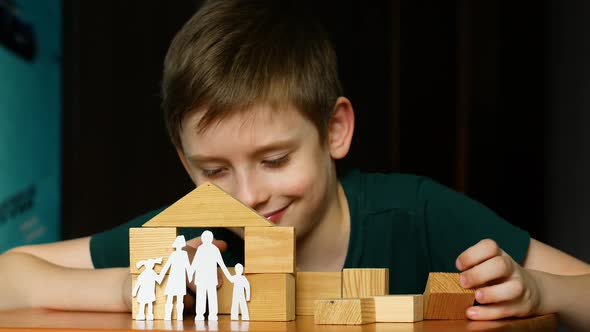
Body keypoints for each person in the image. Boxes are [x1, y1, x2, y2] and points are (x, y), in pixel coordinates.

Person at [0, 1, 589, 330]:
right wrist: (132, 288)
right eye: (215, 171)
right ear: (185, 165)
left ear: (335, 130)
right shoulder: (193, 235)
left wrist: (538, 290)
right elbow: (10, 274)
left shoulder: (418, 213)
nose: (248, 195)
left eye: (275, 159)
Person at [189, 230, 233, 321]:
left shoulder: (213, 249)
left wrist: (229, 276)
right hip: (202, 278)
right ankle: (201, 314)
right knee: (203, 296)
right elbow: (195, 263)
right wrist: (190, 273)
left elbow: (221, 263)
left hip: (210, 278)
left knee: (211, 296)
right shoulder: (202, 249)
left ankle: (212, 314)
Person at [158, 235, 192, 321]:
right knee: (170, 297)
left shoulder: (184, 254)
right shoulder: (173, 254)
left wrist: (190, 275)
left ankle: (179, 315)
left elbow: (187, 266)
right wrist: (160, 276)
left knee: (179, 299)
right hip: (173, 277)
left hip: (180, 278)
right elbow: (167, 266)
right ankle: (168, 315)